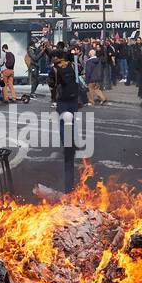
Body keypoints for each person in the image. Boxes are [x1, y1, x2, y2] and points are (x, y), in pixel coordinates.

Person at [50, 45, 81, 192]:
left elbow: (52, 84)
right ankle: (72, 141)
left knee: (63, 121)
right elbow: (79, 74)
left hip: (62, 99)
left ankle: (66, 142)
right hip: (73, 98)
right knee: (72, 120)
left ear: (56, 57)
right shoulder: (72, 64)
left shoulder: (55, 69)